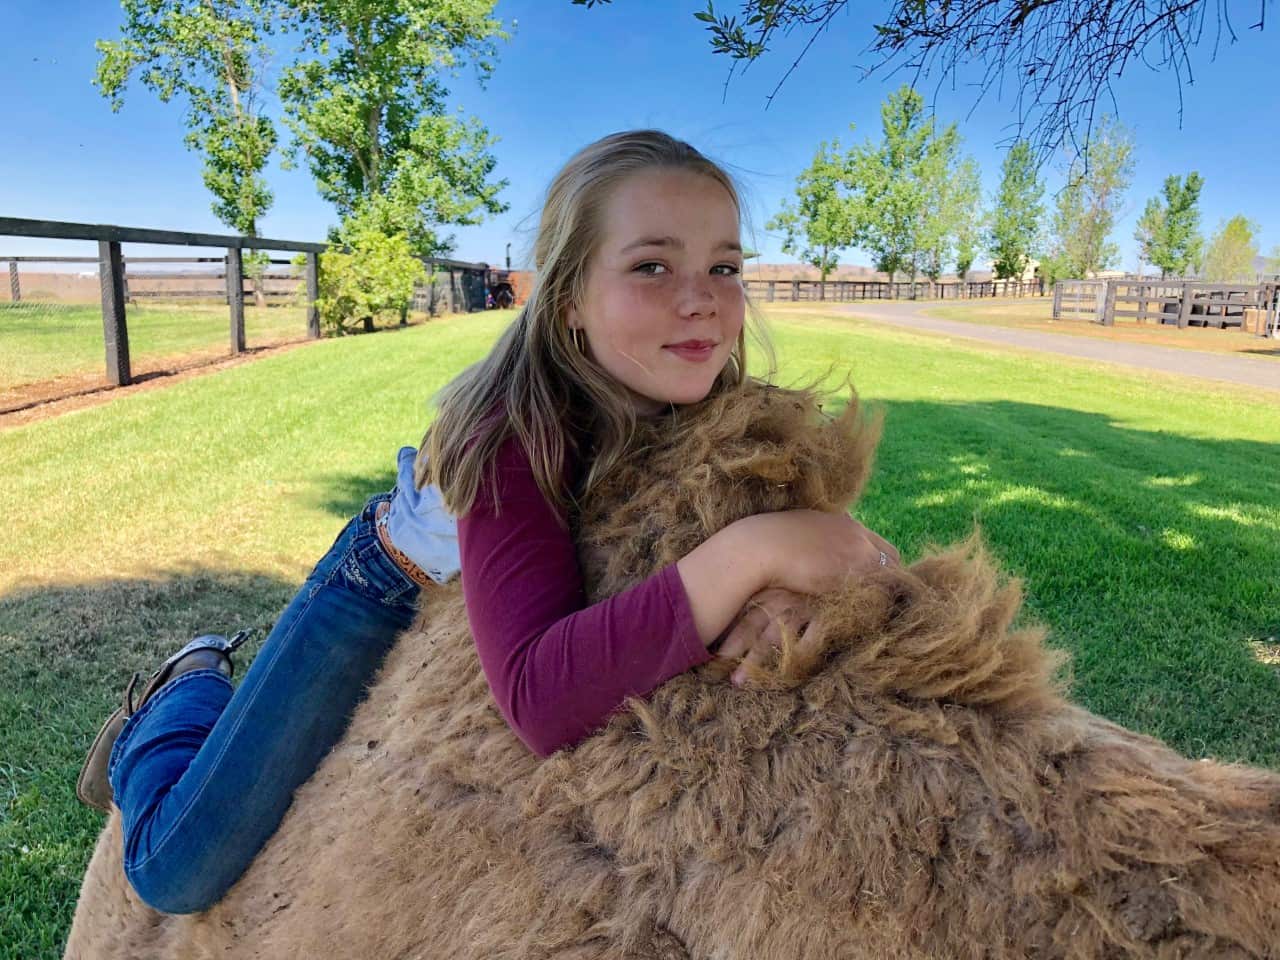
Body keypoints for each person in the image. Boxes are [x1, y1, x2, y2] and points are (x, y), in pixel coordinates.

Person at [77, 129, 898, 915]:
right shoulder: (510, 430)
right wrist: (755, 552)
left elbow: (846, 556)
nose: (702, 300)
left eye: (725, 266)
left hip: (499, 579)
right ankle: (181, 697)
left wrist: (801, 586)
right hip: (389, 588)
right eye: (652, 265)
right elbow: (539, 698)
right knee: (178, 865)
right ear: (571, 297)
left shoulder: (710, 406)